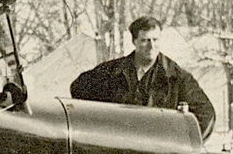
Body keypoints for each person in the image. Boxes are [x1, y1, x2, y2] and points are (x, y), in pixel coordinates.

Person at [70, 15, 217, 138]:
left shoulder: (177, 77)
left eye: (155, 40)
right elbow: (78, 89)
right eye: (145, 40)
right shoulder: (112, 71)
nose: (151, 46)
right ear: (134, 41)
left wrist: (183, 144)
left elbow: (206, 114)